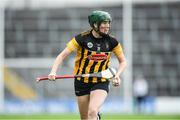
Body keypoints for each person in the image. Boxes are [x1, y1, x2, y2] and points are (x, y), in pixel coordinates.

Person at [48, 10, 126, 120]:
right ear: (95, 24)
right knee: (85, 118)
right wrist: (53, 71)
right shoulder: (81, 38)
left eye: (108, 23)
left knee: (93, 111)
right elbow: (61, 55)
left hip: (101, 80)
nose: (107, 26)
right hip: (81, 82)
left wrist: (117, 75)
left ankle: (95, 115)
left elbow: (123, 61)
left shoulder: (112, 41)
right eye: (104, 23)